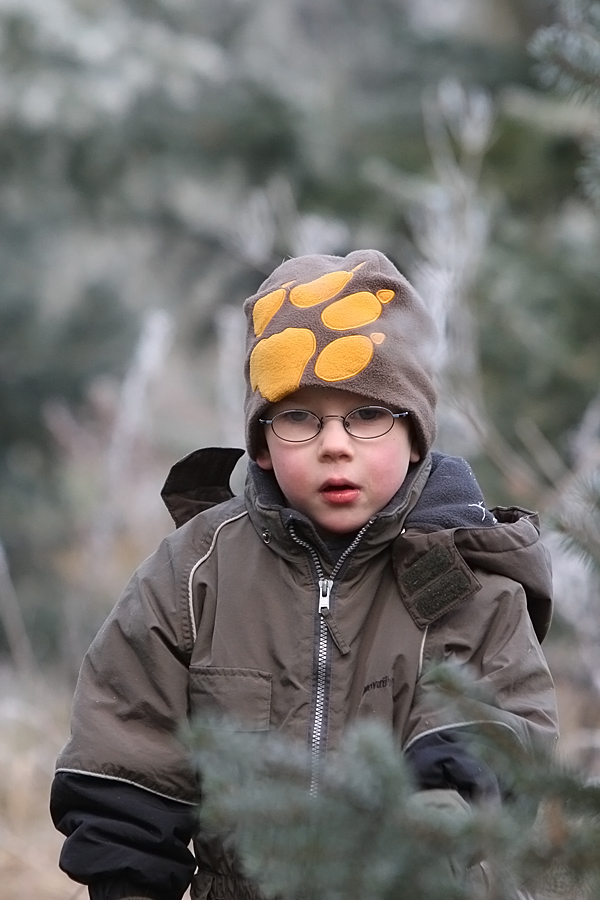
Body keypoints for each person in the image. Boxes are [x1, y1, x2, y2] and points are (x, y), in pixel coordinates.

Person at [50, 249, 558, 900]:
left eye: (368, 415)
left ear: (417, 434)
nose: (335, 444)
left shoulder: (464, 575)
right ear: (261, 443)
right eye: (299, 417)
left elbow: (494, 742)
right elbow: (124, 758)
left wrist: (429, 838)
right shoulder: (193, 574)